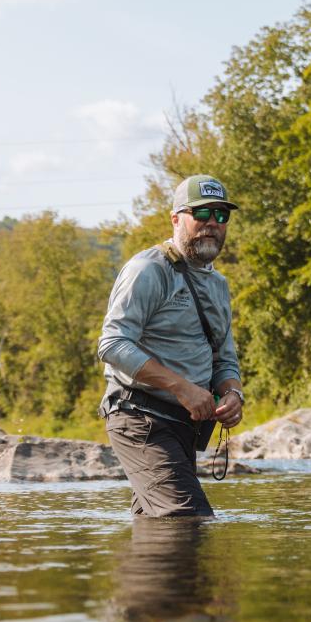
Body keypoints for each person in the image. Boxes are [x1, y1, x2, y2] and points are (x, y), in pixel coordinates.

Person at [98, 174, 244, 517]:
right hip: (139, 418)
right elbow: (112, 344)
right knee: (187, 518)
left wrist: (234, 394)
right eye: (202, 214)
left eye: (221, 216)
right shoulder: (148, 269)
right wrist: (183, 389)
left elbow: (225, 358)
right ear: (176, 219)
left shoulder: (219, 285)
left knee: (159, 529)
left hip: (183, 427)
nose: (212, 224)